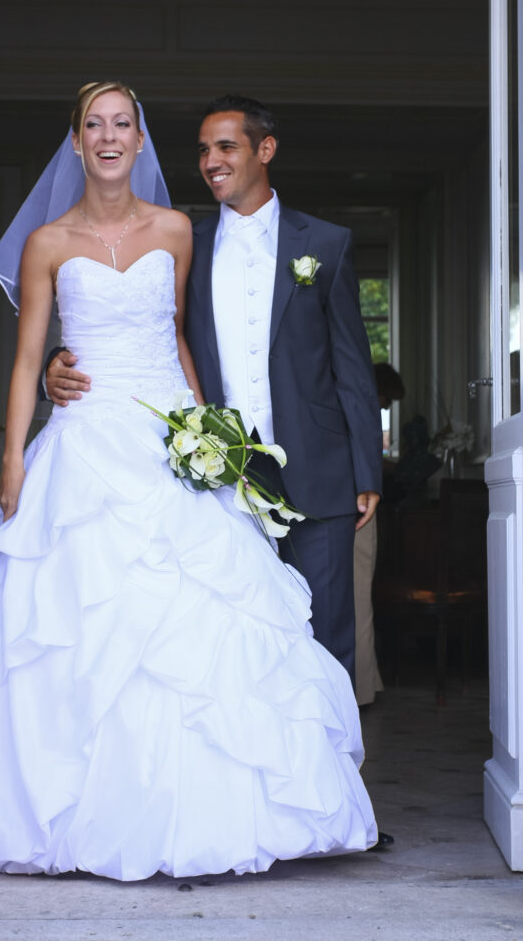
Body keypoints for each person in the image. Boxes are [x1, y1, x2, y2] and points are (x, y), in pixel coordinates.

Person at [0, 81, 379, 879]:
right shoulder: (46, 242)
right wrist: (14, 457)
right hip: (80, 446)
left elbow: (180, 338)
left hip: (166, 444)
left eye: (124, 125)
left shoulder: (180, 230)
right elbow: (25, 361)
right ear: (76, 143)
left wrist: (201, 429)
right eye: (94, 126)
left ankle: (217, 813)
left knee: (198, 627)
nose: (110, 138)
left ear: (141, 142)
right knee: (66, 628)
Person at [46, 95, 383, 685]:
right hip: (220, 477)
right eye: (203, 150)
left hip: (320, 471)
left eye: (226, 146)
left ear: (265, 149)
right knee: (236, 637)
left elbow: (354, 367)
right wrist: (58, 361)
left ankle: (331, 772)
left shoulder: (325, 244)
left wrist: (367, 472)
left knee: (327, 639)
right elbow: (143, 322)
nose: (211, 161)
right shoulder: (185, 243)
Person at [354, 362, 406, 706]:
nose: (386, 406)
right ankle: (363, 685)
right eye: (387, 398)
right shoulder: (363, 414)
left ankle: (365, 682)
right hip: (360, 506)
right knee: (360, 597)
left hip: (353, 503)